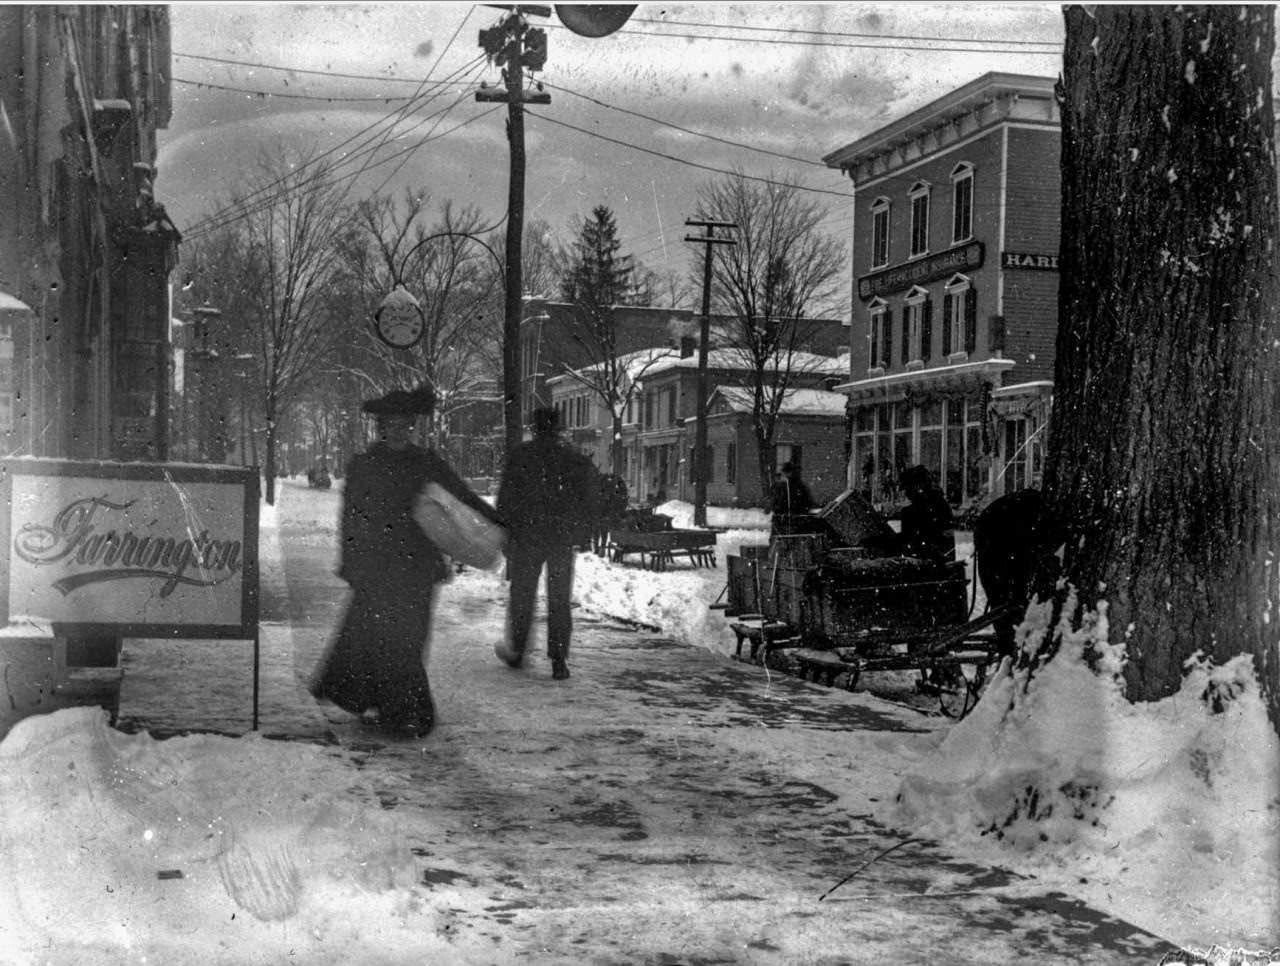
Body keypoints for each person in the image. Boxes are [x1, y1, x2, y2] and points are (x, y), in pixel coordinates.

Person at [310, 384, 500, 738]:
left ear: (412, 426)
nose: (398, 431)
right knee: (379, 638)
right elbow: (350, 517)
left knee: (410, 637)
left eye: (405, 425)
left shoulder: (426, 462)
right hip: (376, 566)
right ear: (381, 427)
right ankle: (401, 711)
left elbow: (462, 494)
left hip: (417, 565)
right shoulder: (363, 464)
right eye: (391, 425)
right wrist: (350, 563)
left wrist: (500, 521)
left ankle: (401, 709)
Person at [495, 407, 600, 680]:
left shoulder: (520, 456)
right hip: (560, 539)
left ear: (534, 427)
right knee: (559, 599)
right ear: (559, 428)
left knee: (522, 595)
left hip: (528, 536)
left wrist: (507, 531)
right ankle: (559, 660)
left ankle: (517, 651)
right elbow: (589, 500)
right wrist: (580, 532)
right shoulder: (573, 459)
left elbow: (506, 499)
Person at [898, 464, 956, 563]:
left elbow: (916, 536)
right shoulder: (937, 503)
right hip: (936, 558)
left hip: (932, 560)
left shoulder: (927, 507)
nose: (907, 494)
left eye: (908, 489)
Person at [769, 461, 816, 535]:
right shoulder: (787, 486)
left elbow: (776, 505)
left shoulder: (789, 486)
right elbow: (807, 504)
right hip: (791, 522)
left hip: (789, 521)